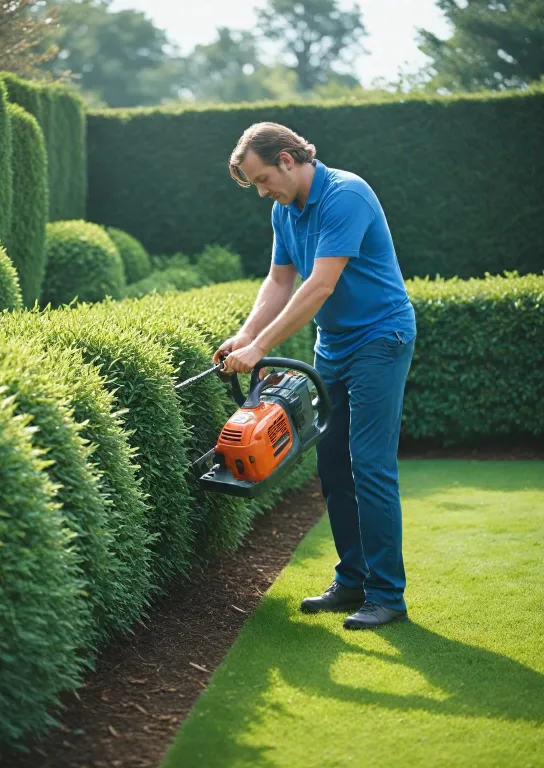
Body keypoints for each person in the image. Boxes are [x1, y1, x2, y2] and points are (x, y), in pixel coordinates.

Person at [214, 122, 416, 630]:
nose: (263, 192)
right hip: (334, 346)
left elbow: (320, 285)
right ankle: (352, 581)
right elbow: (280, 281)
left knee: (369, 463)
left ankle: (387, 594)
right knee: (331, 463)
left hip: (380, 338)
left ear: (287, 158)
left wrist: (263, 347)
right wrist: (245, 336)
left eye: (263, 179)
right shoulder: (285, 210)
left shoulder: (345, 195)